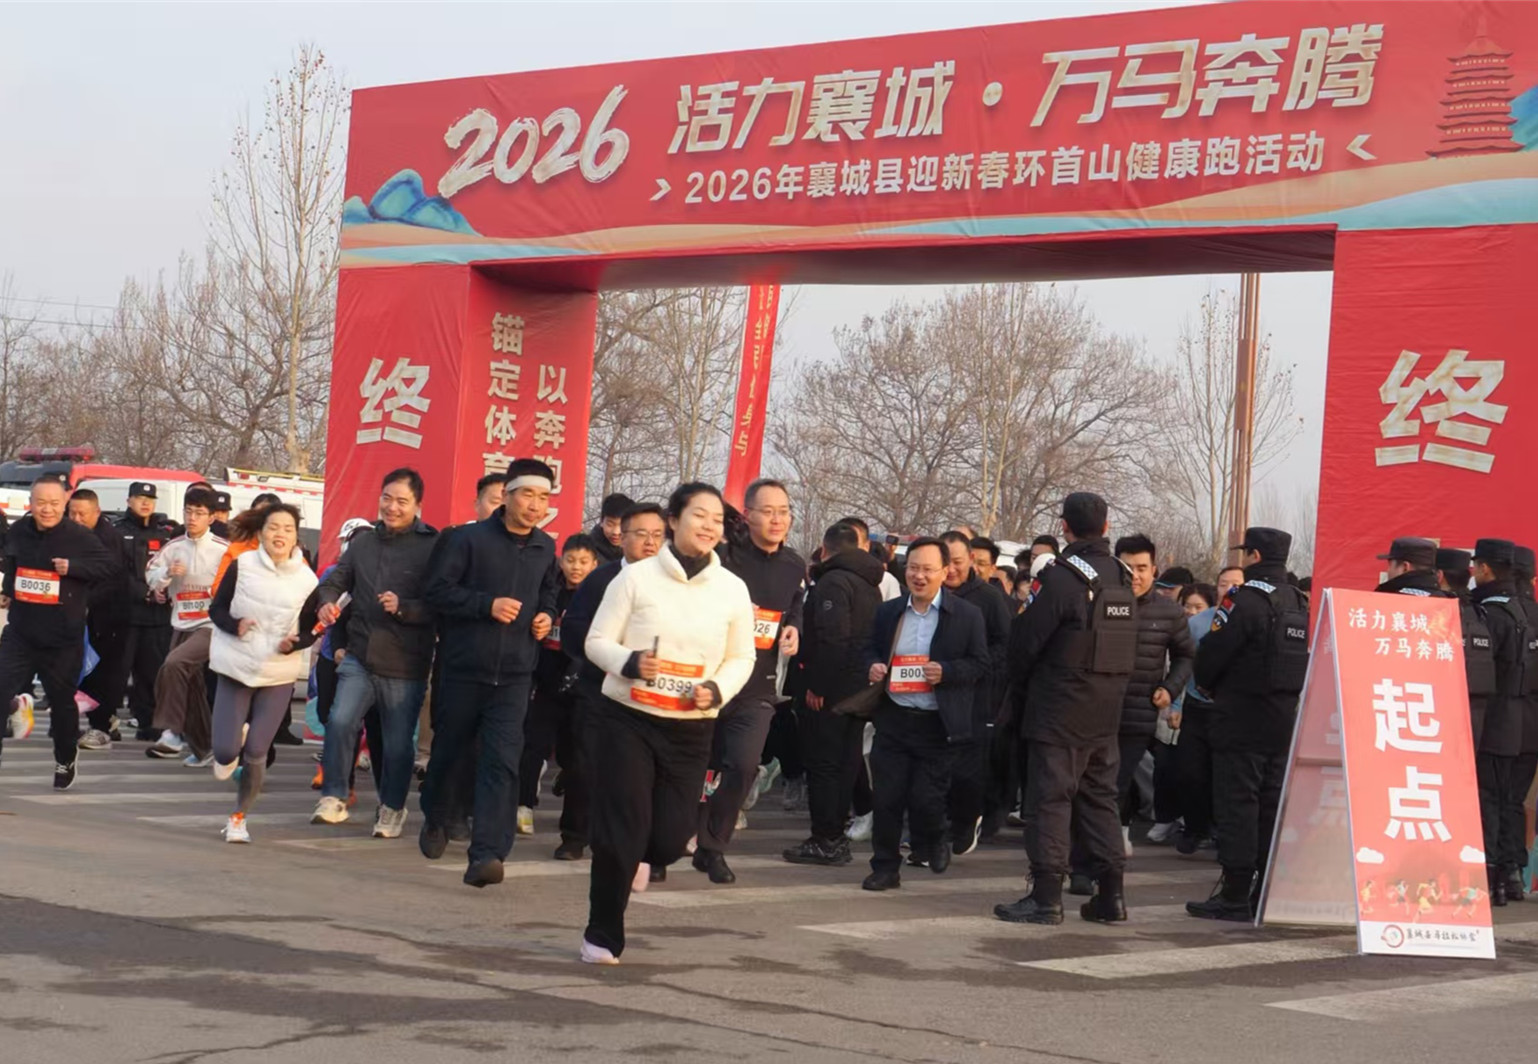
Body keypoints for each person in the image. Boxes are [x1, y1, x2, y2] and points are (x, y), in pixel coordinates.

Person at [580, 482, 756, 964]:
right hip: (629, 719)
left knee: (670, 840)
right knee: (623, 828)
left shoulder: (732, 589)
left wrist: (717, 689)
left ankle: (639, 853)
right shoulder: (635, 578)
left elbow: (742, 657)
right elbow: (596, 641)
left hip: (690, 726)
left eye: (717, 519)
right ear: (673, 521)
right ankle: (602, 934)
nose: (709, 526)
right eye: (699, 515)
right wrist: (631, 662)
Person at [995, 493, 1137, 925]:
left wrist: (1020, 689)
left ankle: (1046, 897)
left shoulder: (1060, 576)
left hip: (1059, 708)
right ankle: (1111, 896)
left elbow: (1025, 642)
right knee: (1100, 800)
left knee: (1051, 801)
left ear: (1064, 527)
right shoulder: (1122, 574)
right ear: (1106, 526)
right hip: (1105, 707)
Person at [421, 459, 559, 886]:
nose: (535, 506)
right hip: (464, 669)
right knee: (451, 753)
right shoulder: (466, 539)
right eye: (528, 495)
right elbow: (436, 591)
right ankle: (437, 815)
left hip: (515, 675)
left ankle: (488, 854)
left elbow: (549, 592)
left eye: (544, 497)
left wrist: (546, 615)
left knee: (501, 762)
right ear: (508, 495)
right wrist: (487, 605)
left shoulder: (545, 548)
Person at [1186, 527, 1310, 921]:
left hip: (1240, 717)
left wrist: (1206, 684)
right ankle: (1264, 891)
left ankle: (1235, 893)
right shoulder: (1297, 600)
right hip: (1283, 719)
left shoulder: (1245, 599)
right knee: (1270, 805)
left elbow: (1213, 653)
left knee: (1237, 804)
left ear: (1254, 556)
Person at [687, 479, 805, 884]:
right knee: (695, 767)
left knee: (743, 765)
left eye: (784, 511)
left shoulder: (794, 565)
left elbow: (794, 603)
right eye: (768, 511)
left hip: (757, 686)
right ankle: (671, 839)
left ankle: (713, 847)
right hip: (710, 679)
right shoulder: (722, 558)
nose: (777, 519)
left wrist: (794, 627)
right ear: (748, 514)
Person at [311, 469, 439, 838]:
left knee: (397, 744)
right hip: (361, 655)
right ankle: (334, 796)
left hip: (405, 663)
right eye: (387, 498)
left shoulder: (432, 546)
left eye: (402, 501)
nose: (392, 507)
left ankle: (392, 807)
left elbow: (441, 601)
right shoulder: (363, 543)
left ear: (417, 505)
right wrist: (327, 602)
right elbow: (336, 580)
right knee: (339, 720)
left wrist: (405, 607)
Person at [861, 538, 990, 892]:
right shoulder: (890, 612)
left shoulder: (966, 615)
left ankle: (936, 837)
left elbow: (981, 663)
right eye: (913, 568)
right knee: (886, 798)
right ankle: (885, 867)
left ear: (945, 572)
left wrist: (947, 671)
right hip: (895, 717)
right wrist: (873, 665)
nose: (919, 576)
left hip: (937, 723)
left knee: (926, 799)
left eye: (928, 570)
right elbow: (868, 648)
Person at [1067, 534, 1195, 883]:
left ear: (1154, 570)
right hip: (1092, 712)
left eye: (1142, 568)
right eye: (1128, 567)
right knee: (1085, 789)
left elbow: (1185, 656)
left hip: (1136, 717)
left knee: (1112, 790)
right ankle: (1082, 867)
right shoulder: (1096, 601)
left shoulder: (1169, 612)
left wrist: (1169, 688)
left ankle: (1096, 868)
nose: (1135, 575)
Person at [559, 502, 667, 861]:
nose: (650, 543)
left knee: (641, 775)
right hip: (599, 687)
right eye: (642, 534)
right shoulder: (601, 579)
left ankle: (637, 845)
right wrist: (611, 656)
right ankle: (574, 836)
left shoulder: (673, 585)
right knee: (586, 764)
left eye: (658, 535)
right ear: (622, 537)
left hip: (651, 693)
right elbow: (574, 629)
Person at [207, 503, 320, 842]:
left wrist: (294, 643)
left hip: (277, 673)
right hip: (236, 665)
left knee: (257, 751)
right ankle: (232, 741)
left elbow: (311, 630)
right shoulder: (242, 565)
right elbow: (216, 609)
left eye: (287, 529)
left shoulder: (307, 579)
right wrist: (236, 625)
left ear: (296, 537)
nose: (279, 534)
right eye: (273, 527)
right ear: (260, 533)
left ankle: (238, 819)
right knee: (225, 752)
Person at [784, 522, 886, 867]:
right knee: (846, 763)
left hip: (832, 691)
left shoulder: (833, 582)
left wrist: (817, 686)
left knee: (825, 765)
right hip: (858, 690)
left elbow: (833, 638)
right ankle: (835, 837)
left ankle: (825, 838)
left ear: (825, 549)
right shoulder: (869, 583)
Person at [0, 476, 113, 787]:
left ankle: (65, 757)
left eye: (53, 503)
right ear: (31, 504)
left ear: (64, 504)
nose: (46, 509)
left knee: (62, 704)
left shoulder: (80, 537)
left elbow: (110, 567)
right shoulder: (19, 530)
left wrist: (73, 567)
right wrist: (8, 589)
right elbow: (13, 563)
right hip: (21, 632)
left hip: (62, 637)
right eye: (40, 503)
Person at [936, 530, 1013, 857]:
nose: (952, 569)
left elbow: (1005, 645)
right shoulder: (928, 592)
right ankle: (931, 828)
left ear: (970, 560)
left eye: (958, 561)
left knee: (967, 770)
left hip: (976, 696)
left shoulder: (989, 598)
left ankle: (966, 821)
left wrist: (972, 665)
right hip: (932, 696)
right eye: (946, 562)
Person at [517, 532, 599, 837]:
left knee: (572, 753)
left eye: (583, 562)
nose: (576, 567)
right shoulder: (550, 593)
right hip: (547, 685)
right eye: (570, 560)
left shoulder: (598, 598)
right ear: (561, 561)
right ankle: (523, 805)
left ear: (594, 564)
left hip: (581, 689)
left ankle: (569, 793)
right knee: (533, 746)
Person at [1472, 540, 1536, 905]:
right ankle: (1509, 875)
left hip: (1495, 721)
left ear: (1486, 568)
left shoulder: (1490, 613)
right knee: (1509, 799)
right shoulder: (1526, 613)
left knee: (1490, 799)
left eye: (1477, 565)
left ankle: (1492, 874)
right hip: (1524, 724)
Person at [144, 487, 229, 761]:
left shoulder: (223, 550)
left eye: (199, 513)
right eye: (188, 512)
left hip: (211, 625)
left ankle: (171, 732)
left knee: (174, 664)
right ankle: (205, 748)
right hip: (181, 622)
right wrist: (167, 574)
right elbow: (150, 575)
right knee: (190, 685)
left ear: (212, 517)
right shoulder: (174, 547)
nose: (192, 518)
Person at [1174, 567, 1243, 855]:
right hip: (1196, 706)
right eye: (1223, 584)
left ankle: (1221, 833)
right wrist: (1175, 704)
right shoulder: (1198, 622)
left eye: (1235, 584)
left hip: (1232, 711)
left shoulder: (1249, 621)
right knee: (1190, 772)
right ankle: (1195, 828)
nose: (1229, 589)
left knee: (1225, 776)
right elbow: (1183, 664)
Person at [68, 488, 133, 750]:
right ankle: (90, 721)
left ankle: (102, 726)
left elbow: (112, 578)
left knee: (102, 672)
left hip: (109, 617)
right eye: (72, 513)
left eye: (82, 514)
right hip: (77, 614)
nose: (76, 519)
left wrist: (83, 602)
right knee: (78, 671)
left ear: (96, 512)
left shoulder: (109, 538)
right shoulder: (67, 534)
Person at [115, 482, 178, 742]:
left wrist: (164, 591)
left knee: (152, 673)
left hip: (157, 617)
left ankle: (149, 722)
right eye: (140, 498)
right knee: (117, 672)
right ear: (129, 500)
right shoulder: (117, 532)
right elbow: (117, 572)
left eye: (150, 499)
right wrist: (145, 591)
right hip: (126, 614)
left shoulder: (166, 534)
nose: (145, 503)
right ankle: (106, 722)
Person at [839, 517, 903, 601]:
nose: (848, 547)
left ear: (866, 546)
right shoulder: (824, 576)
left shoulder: (886, 580)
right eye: (843, 541)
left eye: (853, 541)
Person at [589, 493, 633, 565]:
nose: (616, 532)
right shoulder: (588, 551)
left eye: (622, 525)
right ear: (601, 521)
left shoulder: (639, 553)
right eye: (610, 524)